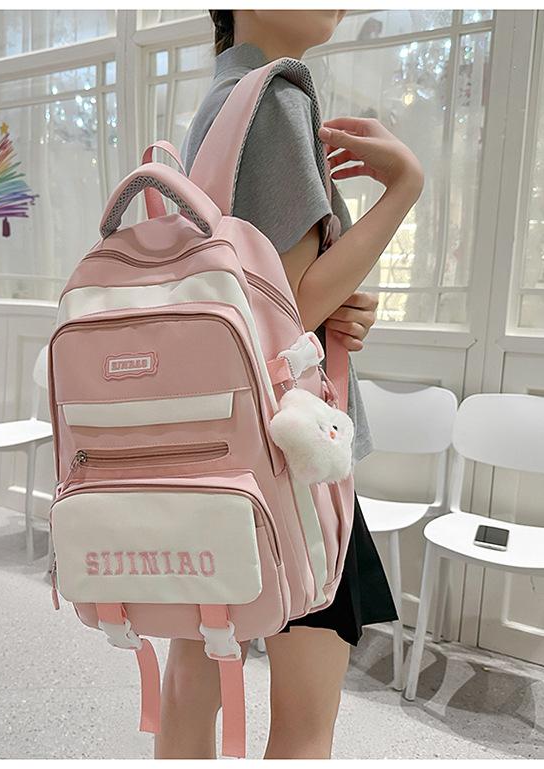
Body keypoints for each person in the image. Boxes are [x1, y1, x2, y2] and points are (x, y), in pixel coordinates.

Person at [155, 10, 424, 759]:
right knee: (304, 726)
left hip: (213, 449)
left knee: (191, 687)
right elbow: (294, 305)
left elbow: (251, 296)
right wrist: (404, 188)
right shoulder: (277, 96)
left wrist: (335, 304)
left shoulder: (219, 103)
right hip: (292, 458)